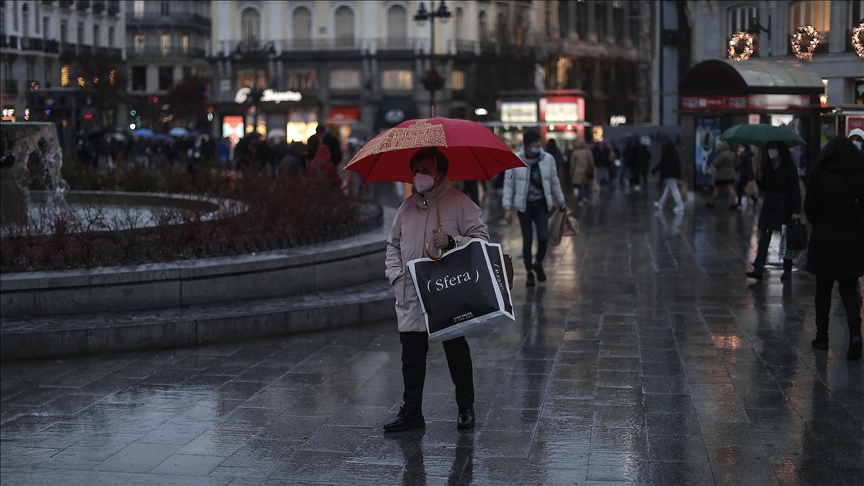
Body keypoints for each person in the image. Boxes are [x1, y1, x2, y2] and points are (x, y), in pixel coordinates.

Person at [383, 147, 488, 432]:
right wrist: (395, 274)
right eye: (416, 170)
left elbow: (481, 239)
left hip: (445, 292)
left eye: (426, 170)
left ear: (441, 172)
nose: (420, 176)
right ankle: (412, 412)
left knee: (456, 352)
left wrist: (452, 241)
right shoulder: (406, 207)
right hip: (410, 292)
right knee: (411, 357)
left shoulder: (459, 203)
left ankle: (465, 407)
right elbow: (393, 244)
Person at [804, 135, 864, 360]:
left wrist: (821, 222)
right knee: (849, 290)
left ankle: (822, 337)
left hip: (825, 240)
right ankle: (855, 335)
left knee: (823, 291)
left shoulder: (820, 175)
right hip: (852, 241)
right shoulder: (860, 175)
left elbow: (809, 209)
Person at [502, 129, 567, 287]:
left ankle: (538, 262)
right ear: (527, 144)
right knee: (528, 240)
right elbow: (508, 184)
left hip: (541, 205)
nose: (539, 144)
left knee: (544, 237)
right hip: (524, 207)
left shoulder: (548, 159)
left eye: (539, 141)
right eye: (535, 142)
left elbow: (554, 182)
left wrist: (562, 202)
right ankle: (529, 272)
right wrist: (508, 208)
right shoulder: (515, 160)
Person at [746, 141, 801, 281]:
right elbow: (765, 186)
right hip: (769, 207)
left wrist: (796, 210)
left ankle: (787, 269)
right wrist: (759, 179)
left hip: (784, 207)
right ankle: (758, 269)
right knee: (764, 239)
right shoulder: (767, 165)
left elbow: (795, 189)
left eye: (773, 148)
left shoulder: (789, 167)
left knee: (786, 239)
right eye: (769, 148)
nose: (771, 151)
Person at [651, 140, 685, 213]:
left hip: (669, 176)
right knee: (667, 191)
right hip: (674, 175)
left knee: (674, 190)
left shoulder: (666, 155)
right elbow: (678, 167)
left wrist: (653, 171)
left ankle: (680, 205)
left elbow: (660, 165)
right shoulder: (676, 155)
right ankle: (660, 204)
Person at [705, 141, 737, 209]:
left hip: (722, 175)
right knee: (731, 189)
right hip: (731, 174)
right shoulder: (731, 154)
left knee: (717, 188)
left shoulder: (723, 154)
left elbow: (717, 164)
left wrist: (712, 163)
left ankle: (712, 203)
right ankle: (734, 204)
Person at [569, 138, 595, 206]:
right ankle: (586, 198)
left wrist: (571, 172)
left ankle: (580, 200)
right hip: (586, 170)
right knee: (586, 185)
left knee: (579, 186)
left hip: (577, 171)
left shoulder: (575, 152)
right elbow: (591, 162)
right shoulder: (588, 151)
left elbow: (572, 164)